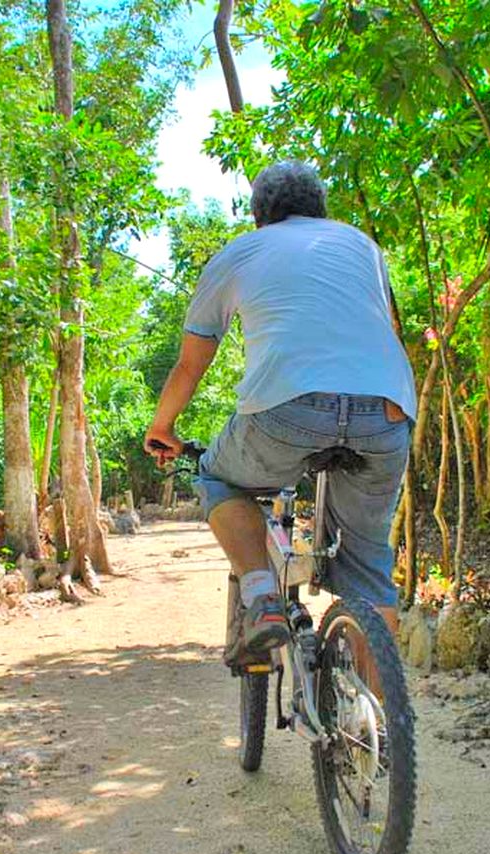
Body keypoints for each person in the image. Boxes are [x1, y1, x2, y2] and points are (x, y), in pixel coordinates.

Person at [144, 160, 416, 666]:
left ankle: (263, 596)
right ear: (320, 208)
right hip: (387, 410)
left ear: (258, 215)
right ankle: (374, 727)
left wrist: (163, 428)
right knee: (370, 566)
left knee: (217, 478)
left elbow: (189, 365)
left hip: (288, 409)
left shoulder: (238, 253)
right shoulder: (362, 246)